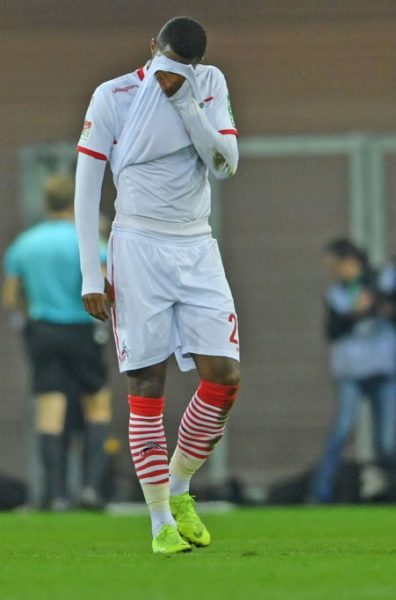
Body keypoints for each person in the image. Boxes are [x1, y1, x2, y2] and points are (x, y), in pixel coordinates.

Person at [74, 16, 241, 553]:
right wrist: (89, 270)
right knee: (147, 385)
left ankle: (179, 486)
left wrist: (186, 101)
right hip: (137, 245)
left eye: (185, 66)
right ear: (152, 49)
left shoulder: (208, 83)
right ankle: (159, 524)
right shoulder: (113, 96)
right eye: (171, 63)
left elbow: (225, 164)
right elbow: (86, 186)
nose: (178, 73)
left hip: (196, 244)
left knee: (225, 377)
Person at [2, 175, 112, 511]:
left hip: (42, 331)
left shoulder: (23, 244)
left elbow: (10, 298)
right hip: (83, 329)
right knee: (97, 406)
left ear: (45, 202)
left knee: (50, 410)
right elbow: (106, 285)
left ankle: (55, 494)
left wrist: (33, 314)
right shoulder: (88, 240)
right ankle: (92, 489)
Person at [311, 239, 396, 504]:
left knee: (387, 440)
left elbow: (395, 305)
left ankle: (391, 491)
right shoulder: (336, 294)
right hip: (350, 370)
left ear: (350, 261)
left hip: (384, 367)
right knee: (342, 429)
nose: (334, 272)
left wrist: (376, 302)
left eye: (336, 265)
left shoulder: (383, 279)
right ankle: (320, 491)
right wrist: (356, 313)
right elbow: (332, 330)